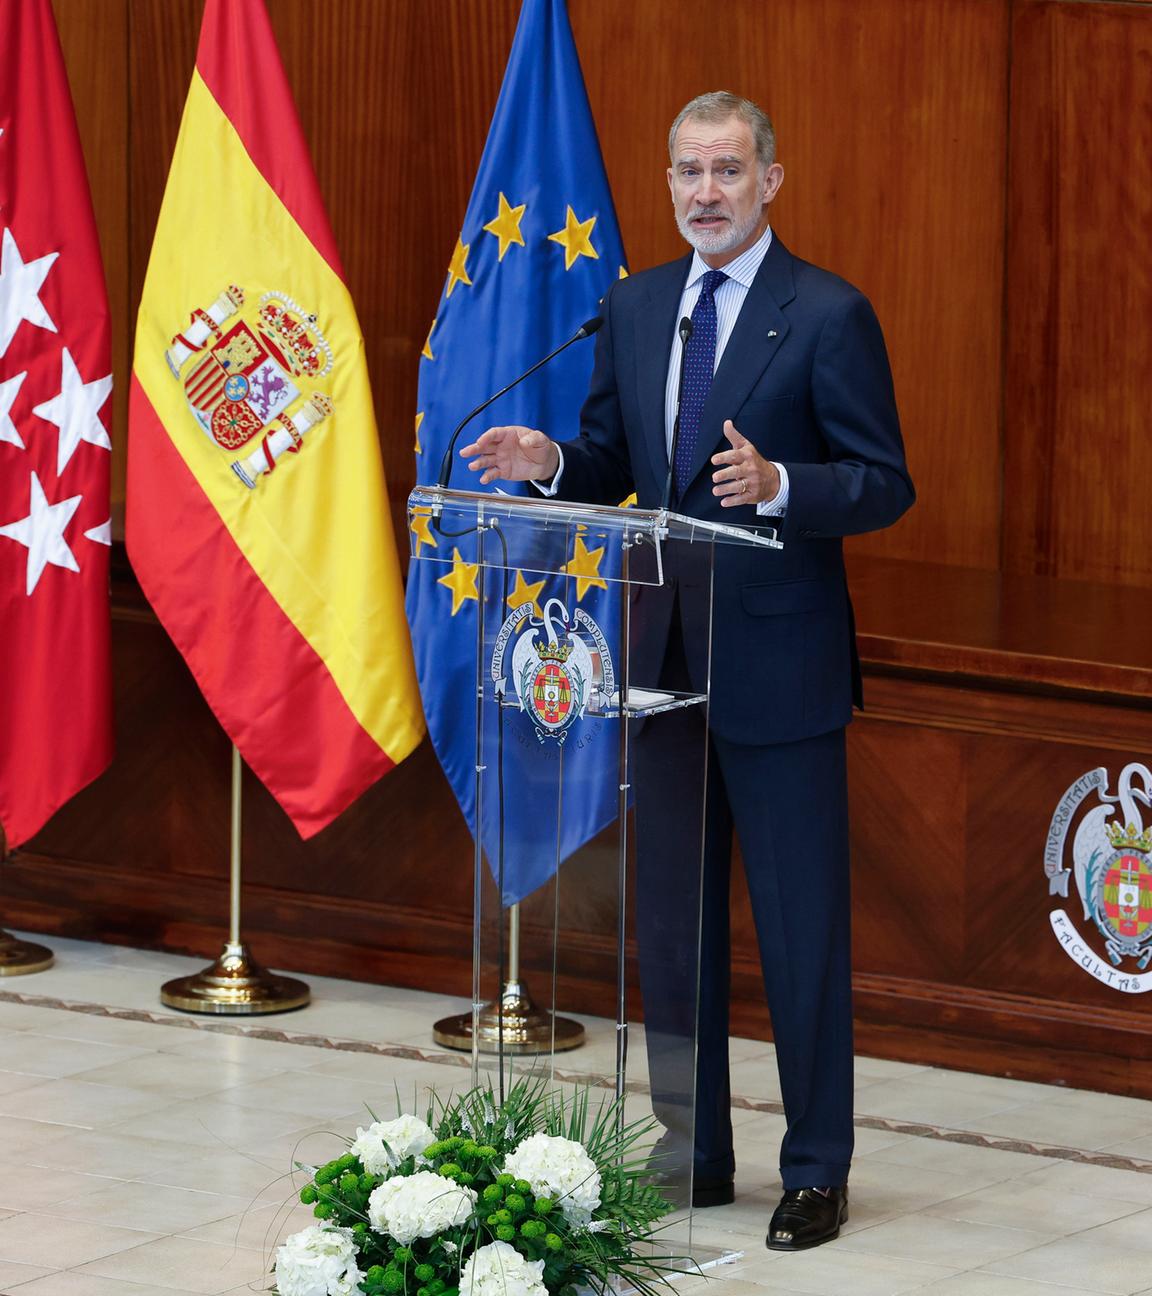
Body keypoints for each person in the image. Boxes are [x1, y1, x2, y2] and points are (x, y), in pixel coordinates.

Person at [461, 90, 914, 1252]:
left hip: (781, 666)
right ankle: (690, 1151)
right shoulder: (637, 303)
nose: (704, 193)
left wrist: (784, 487)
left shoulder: (828, 313)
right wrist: (552, 456)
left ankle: (815, 1168)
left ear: (772, 178)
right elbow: (619, 459)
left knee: (803, 933)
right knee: (672, 926)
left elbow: (882, 480)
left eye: (726, 170)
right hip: (660, 665)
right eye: (686, 173)